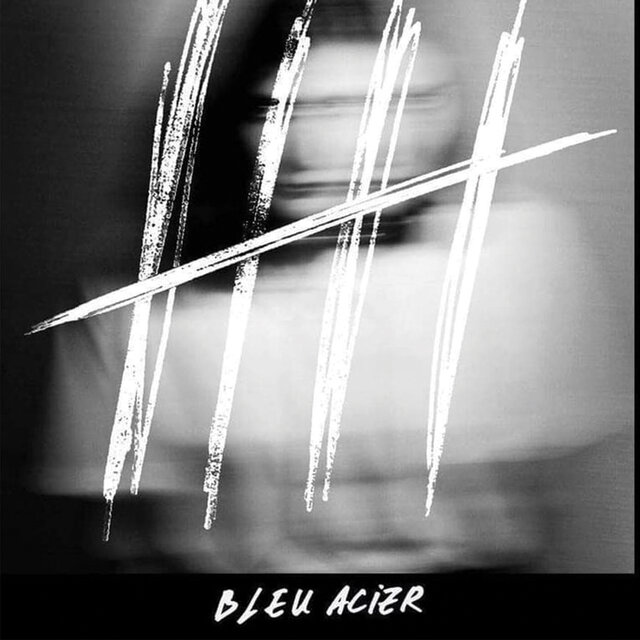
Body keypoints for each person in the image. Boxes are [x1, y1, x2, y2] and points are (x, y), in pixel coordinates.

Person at [36, 0, 631, 572]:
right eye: (285, 109)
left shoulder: (522, 260)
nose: (327, 147)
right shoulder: (138, 302)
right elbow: (128, 537)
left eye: (389, 104)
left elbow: (571, 513)